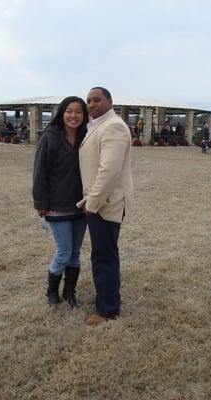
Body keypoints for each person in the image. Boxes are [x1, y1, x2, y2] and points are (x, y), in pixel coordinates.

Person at [77, 87, 133, 326]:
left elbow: (109, 171)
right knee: (105, 254)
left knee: (104, 257)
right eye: (88, 100)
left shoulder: (114, 126)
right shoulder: (99, 125)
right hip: (99, 202)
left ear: (110, 101)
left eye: (97, 99)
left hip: (104, 204)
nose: (91, 104)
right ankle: (108, 299)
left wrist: (93, 202)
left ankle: (108, 309)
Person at [32, 96, 89, 307]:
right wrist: (40, 202)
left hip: (81, 205)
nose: (73, 116)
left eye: (78, 111)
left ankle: (70, 292)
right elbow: (39, 172)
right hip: (56, 205)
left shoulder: (87, 137)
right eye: (69, 111)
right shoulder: (50, 137)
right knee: (64, 252)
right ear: (61, 113)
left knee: (75, 254)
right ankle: (52, 292)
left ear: (84, 116)